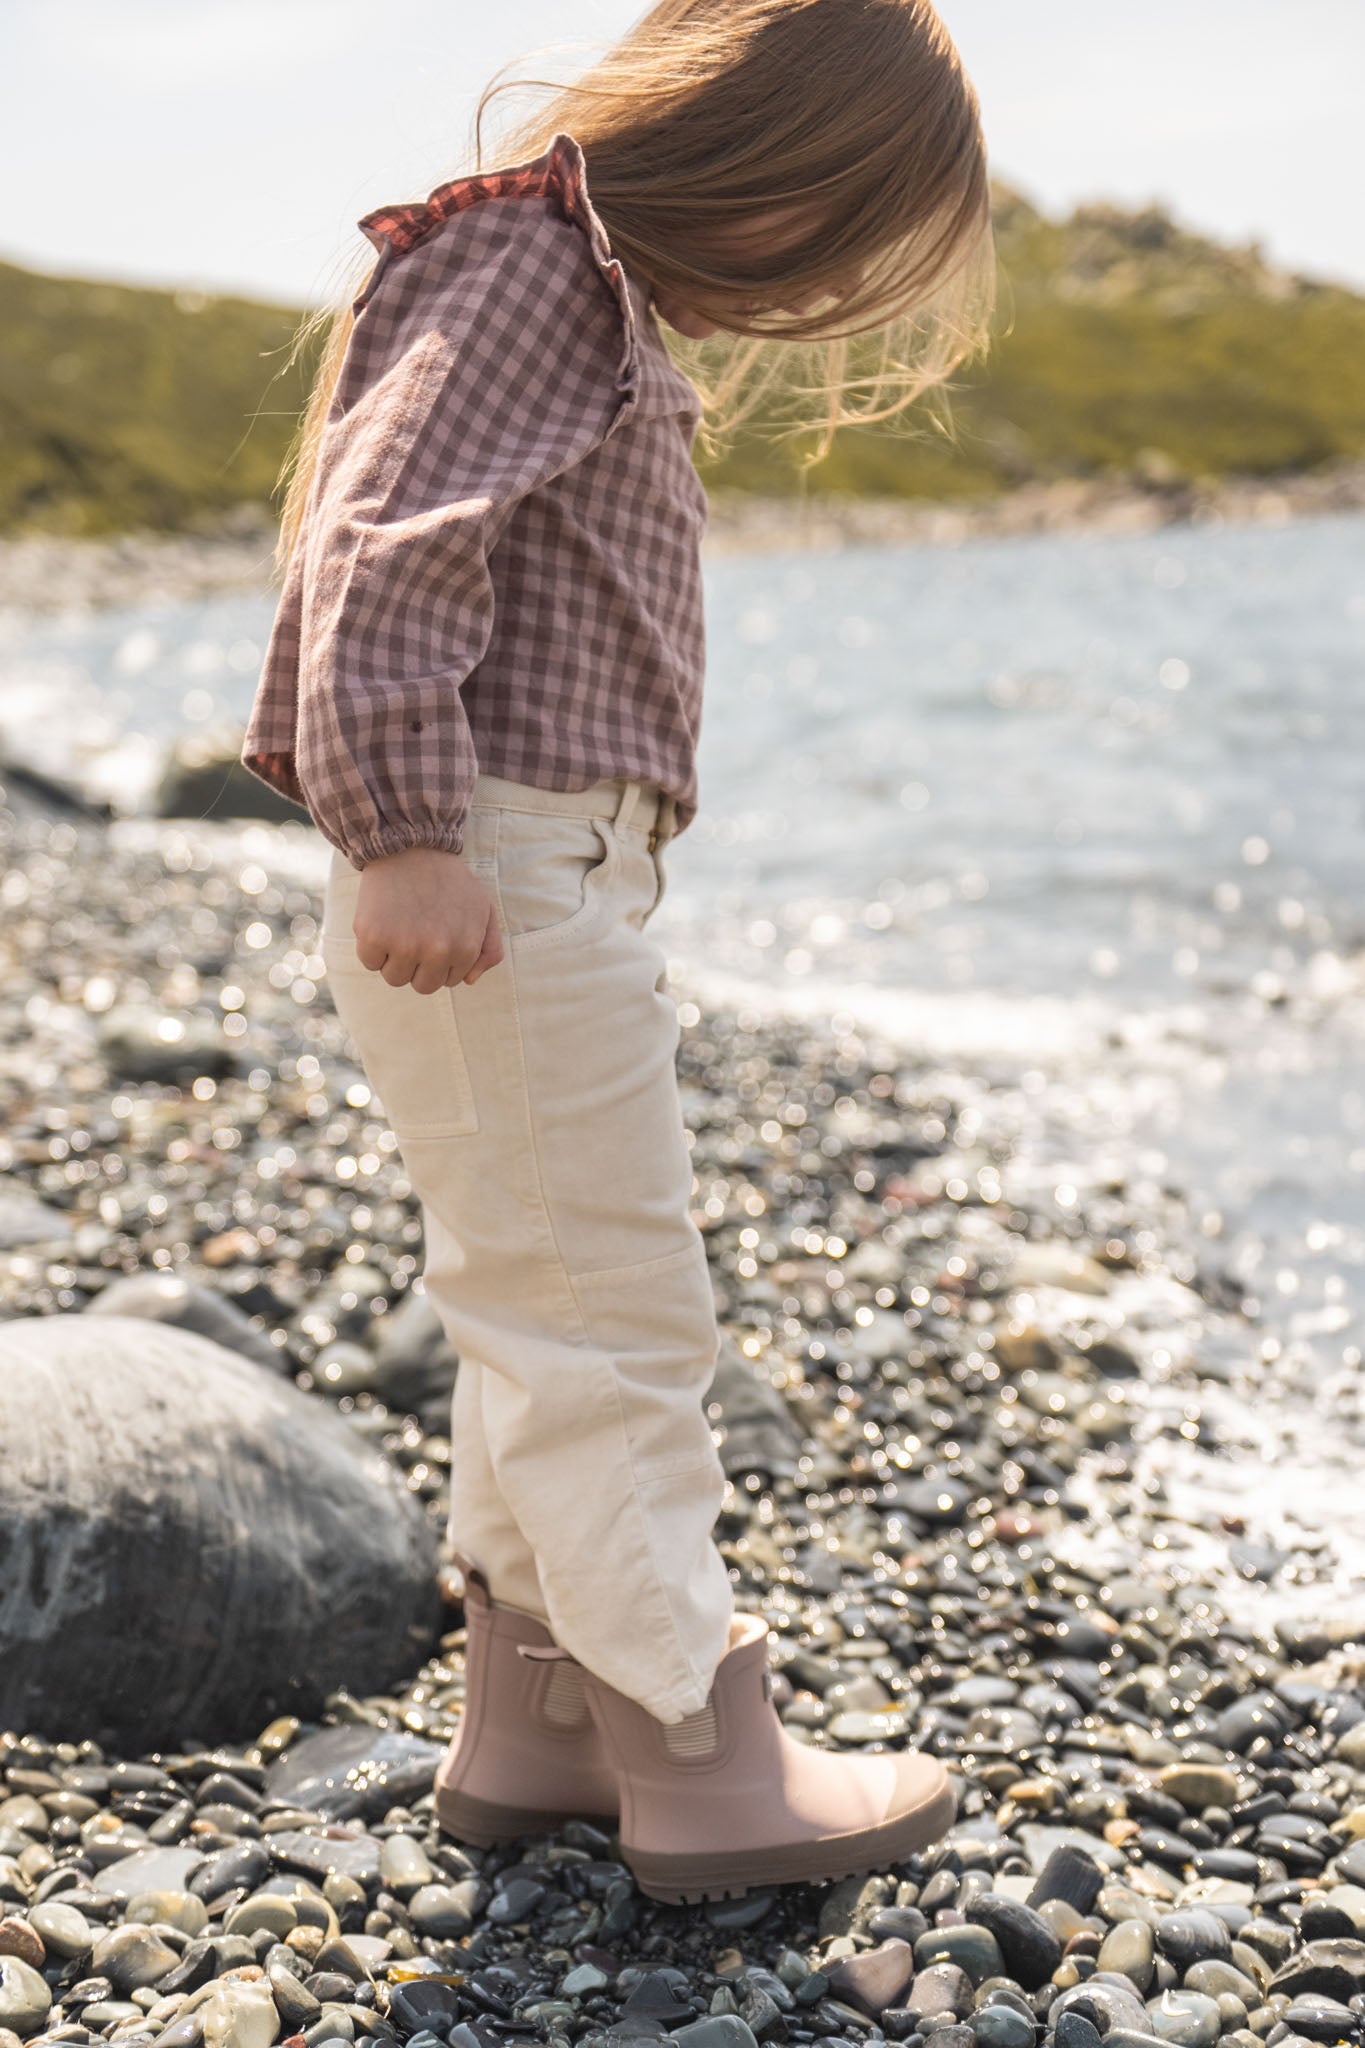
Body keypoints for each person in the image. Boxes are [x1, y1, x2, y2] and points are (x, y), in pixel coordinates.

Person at [240, 0, 995, 1904]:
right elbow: (384, 539)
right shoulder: (527, 265)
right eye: (829, 237)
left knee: (538, 1296)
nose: (819, 290)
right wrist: (404, 825)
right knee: (612, 1317)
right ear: (764, 157)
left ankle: (540, 1724)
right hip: (487, 851)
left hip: (537, 858)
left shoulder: (578, 288)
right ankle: (697, 1745)